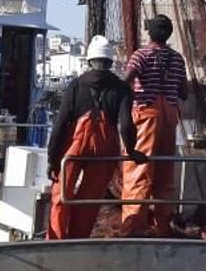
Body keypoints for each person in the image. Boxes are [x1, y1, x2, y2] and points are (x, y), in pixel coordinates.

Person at [46, 35, 145, 239]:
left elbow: (60, 123)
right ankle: (78, 240)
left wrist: (52, 158)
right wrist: (132, 150)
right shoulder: (122, 88)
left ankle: (55, 240)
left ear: (90, 60)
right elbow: (126, 125)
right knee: (89, 199)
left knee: (61, 195)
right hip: (104, 150)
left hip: (73, 148)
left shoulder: (76, 85)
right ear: (109, 62)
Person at [118, 14, 189, 236]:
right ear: (169, 34)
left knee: (139, 170)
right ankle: (163, 226)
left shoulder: (141, 55)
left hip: (146, 115)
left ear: (150, 33)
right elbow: (184, 92)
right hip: (169, 116)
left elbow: (126, 80)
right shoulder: (177, 59)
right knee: (164, 173)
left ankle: (133, 227)